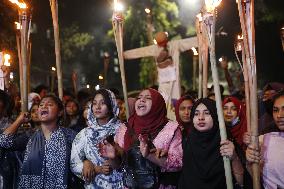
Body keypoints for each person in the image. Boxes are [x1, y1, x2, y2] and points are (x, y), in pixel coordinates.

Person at [102, 88, 182, 189]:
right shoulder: (124, 128)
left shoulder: (171, 129)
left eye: (148, 98)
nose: (141, 100)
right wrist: (113, 158)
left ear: (158, 104)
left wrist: (150, 155)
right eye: (139, 98)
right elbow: (118, 167)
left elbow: (178, 164)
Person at [0, 94, 79, 188]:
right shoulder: (30, 135)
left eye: (49, 104)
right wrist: (19, 120)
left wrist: (87, 162)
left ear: (60, 112)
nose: (44, 106)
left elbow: (83, 157)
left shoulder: (70, 135)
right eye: (41, 105)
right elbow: (4, 141)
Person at [179, 98, 244, 189]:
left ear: (215, 116)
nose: (201, 117)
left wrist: (234, 158)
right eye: (196, 114)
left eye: (207, 113)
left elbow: (242, 182)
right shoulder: (186, 142)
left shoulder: (226, 142)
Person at [70, 89, 124, 188]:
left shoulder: (122, 130)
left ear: (111, 105)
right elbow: (74, 164)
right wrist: (94, 168)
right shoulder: (85, 133)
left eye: (102, 103)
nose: (97, 107)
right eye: (94, 103)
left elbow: (129, 161)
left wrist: (115, 157)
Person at [246, 91, 284, 189]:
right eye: (275, 110)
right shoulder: (264, 140)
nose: (279, 115)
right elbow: (254, 178)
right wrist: (250, 161)